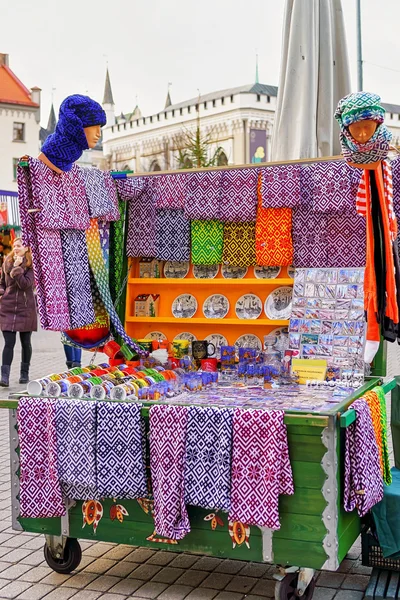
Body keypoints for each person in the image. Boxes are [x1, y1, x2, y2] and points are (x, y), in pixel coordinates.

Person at [0, 238, 37, 386]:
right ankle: (4, 377)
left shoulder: (31, 266)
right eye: (14, 246)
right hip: (7, 308)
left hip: (26, 309)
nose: (15, 248)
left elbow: (25, 284)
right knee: (8, 342)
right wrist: (1, 293)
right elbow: (2, 282)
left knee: (26, 342)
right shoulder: (6, 262)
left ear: (26, 249)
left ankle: (24, 374)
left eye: (19, 246)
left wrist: (16, 269)